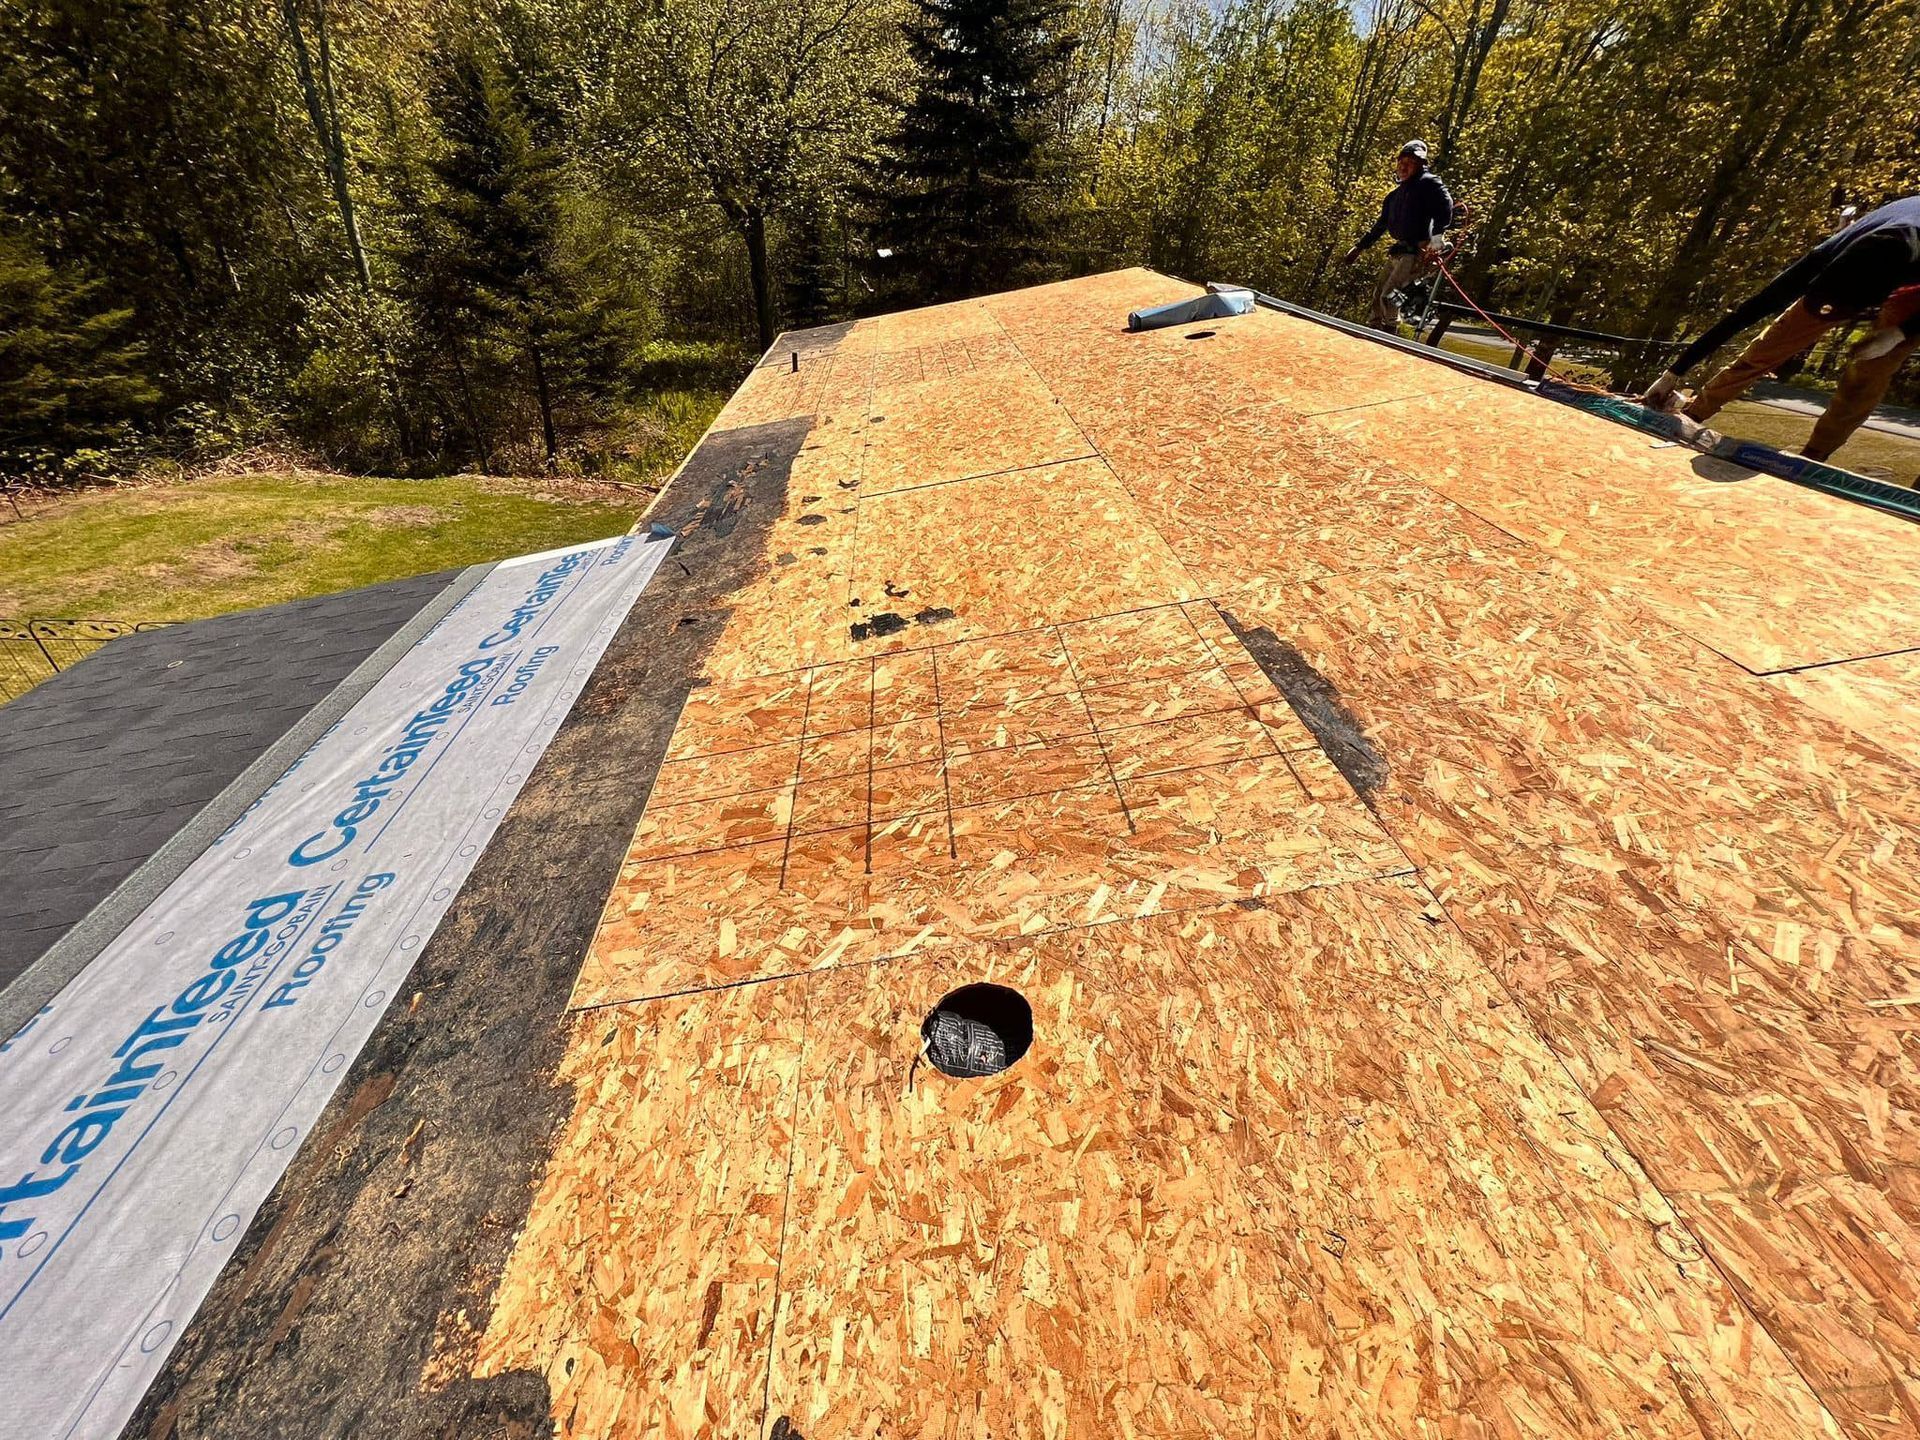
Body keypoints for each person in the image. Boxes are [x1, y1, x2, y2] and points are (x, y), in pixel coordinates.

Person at [1643, 195, 1920, 461]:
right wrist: (1674, 372)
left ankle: (1815, 454)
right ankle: (1694, 414)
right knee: (1771, 345)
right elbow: (1747, 313)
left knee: (1870, 374)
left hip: (1914, 296)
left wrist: (1899, 333)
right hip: (1864, 262)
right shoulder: (1826, 256)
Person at [1342, 140, 1458, 332]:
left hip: (1416, 250)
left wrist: (1438, 236)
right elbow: (1380, 225)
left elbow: (1445, 203)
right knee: (1379, 293)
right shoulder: (1394, 196)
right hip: (1400, 250)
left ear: (1420, 164)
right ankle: (1375, 330)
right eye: (1401, 161)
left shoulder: (1428, 182)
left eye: (1410, 162)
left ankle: (1388, 334)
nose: (1403, 166)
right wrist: (1359, 247)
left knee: (1389, 295)